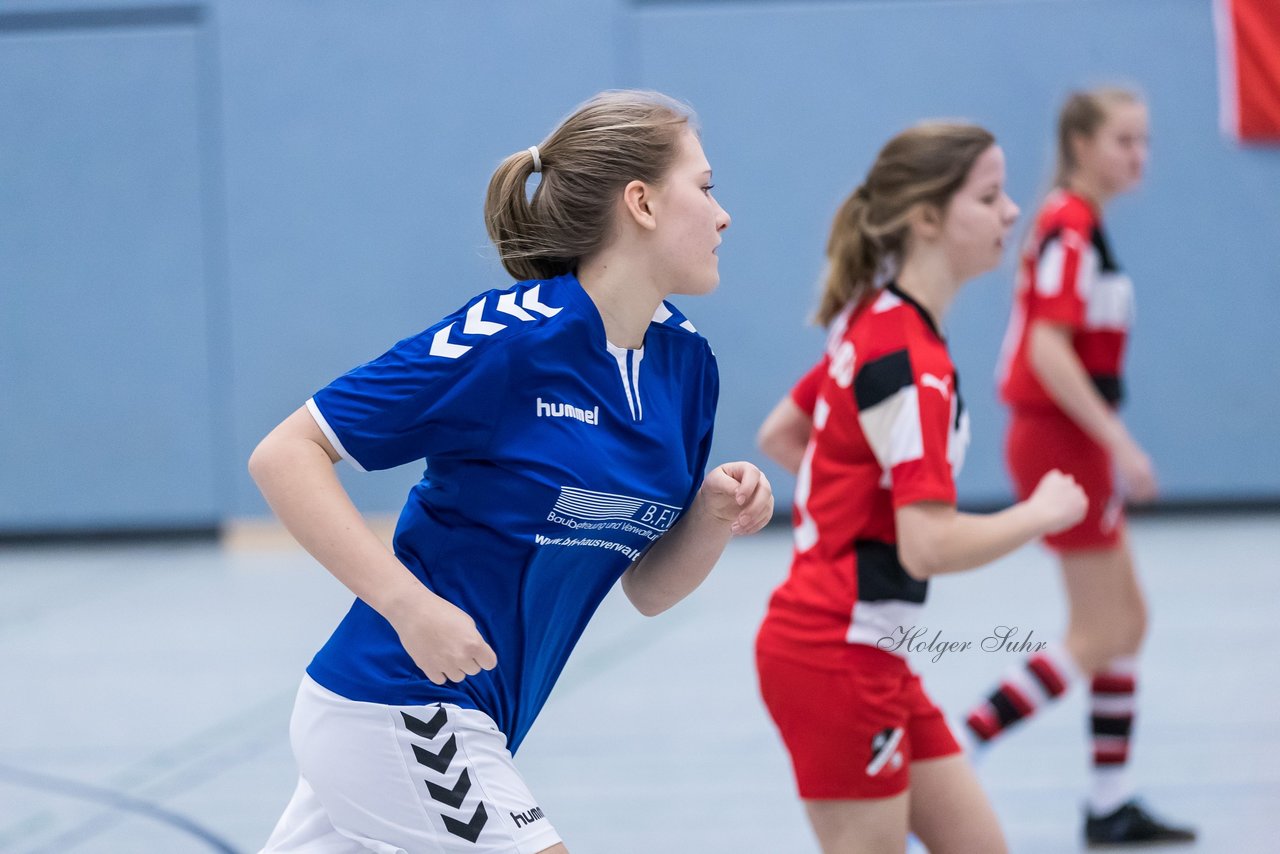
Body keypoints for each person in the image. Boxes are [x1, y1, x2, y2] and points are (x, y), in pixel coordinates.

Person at [249, 89, 773, 854]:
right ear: (643, 204)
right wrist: (408, 606)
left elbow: (649, 589)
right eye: (704, 186)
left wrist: (712, 516)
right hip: (400, 704)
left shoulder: (688, 363)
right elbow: (285, 454)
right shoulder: (510, 338)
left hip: (470, 722)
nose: (723, 215)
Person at [754, 122, 1088, 854]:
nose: (1011, 214)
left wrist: (850, 501)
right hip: (835, 655)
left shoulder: (872, 318)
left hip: (874, 656)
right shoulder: (909, 361)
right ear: (927, 218)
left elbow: (784, 433)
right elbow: (929, 543)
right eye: (991, 197)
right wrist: (1039, 512)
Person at [959, 87, 1196, 845]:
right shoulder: (1066, 226)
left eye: (1145, 140)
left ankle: (1108, 801)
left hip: (1073, 438)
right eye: (1124, 139)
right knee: (1099, 632)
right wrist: (1119, 445)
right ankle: (958, 746)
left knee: (1128, 621)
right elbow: (1046, 351)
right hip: (1060, 440)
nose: (1138, 155)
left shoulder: (1081, 225)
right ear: (1083, 144)